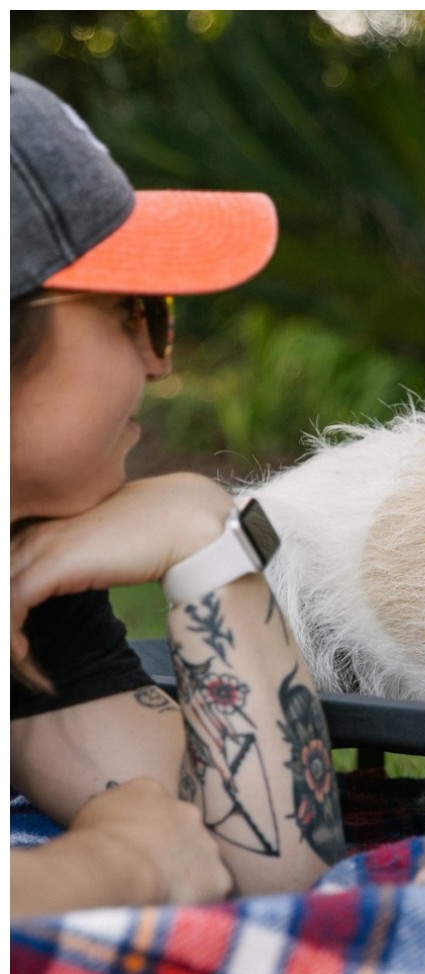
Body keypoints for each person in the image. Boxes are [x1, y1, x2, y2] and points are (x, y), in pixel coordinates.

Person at [9, 72, 345, 920]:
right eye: (135, 313)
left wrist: (207, 542)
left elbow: (259, 857)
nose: (161, 361)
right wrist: (114, 867)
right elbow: (152, 851)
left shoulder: (26, 564)